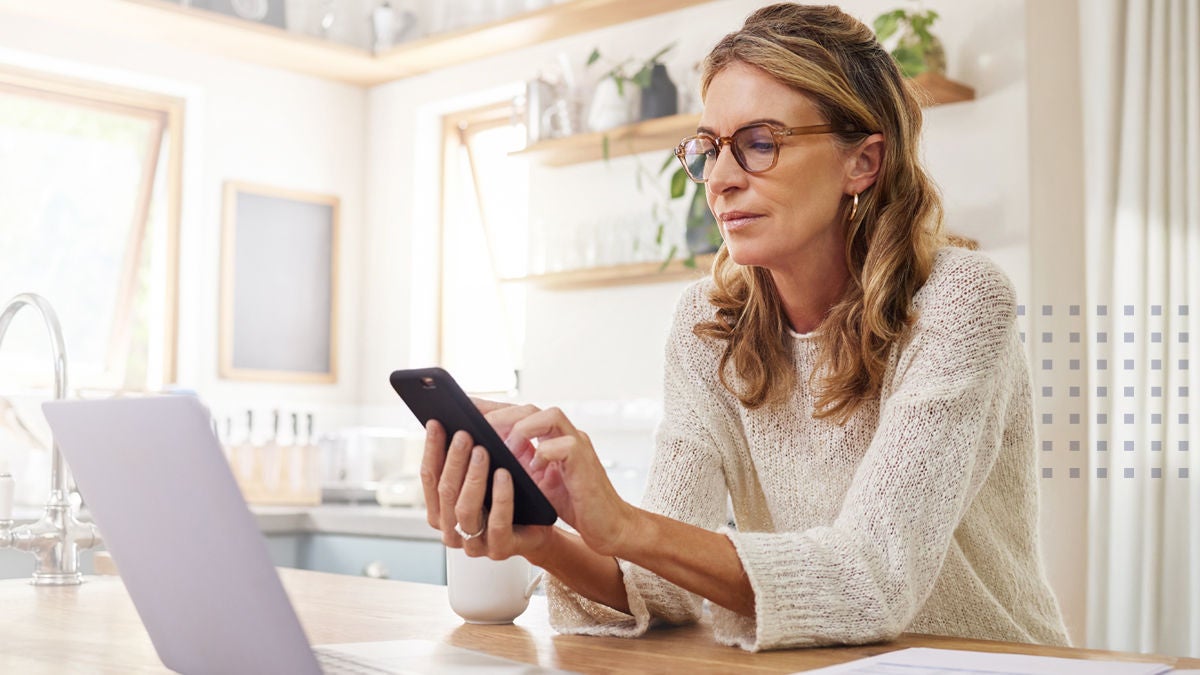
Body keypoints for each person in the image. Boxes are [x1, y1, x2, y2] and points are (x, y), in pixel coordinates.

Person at [420, 3, 1070, 652]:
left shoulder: (958, 302)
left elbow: (870, 578)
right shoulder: (710, 325)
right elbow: (664, 586)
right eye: (709, 148)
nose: (722, 179)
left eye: (760, 143)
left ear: (863, 162)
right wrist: (546, 539)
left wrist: (620, 522)